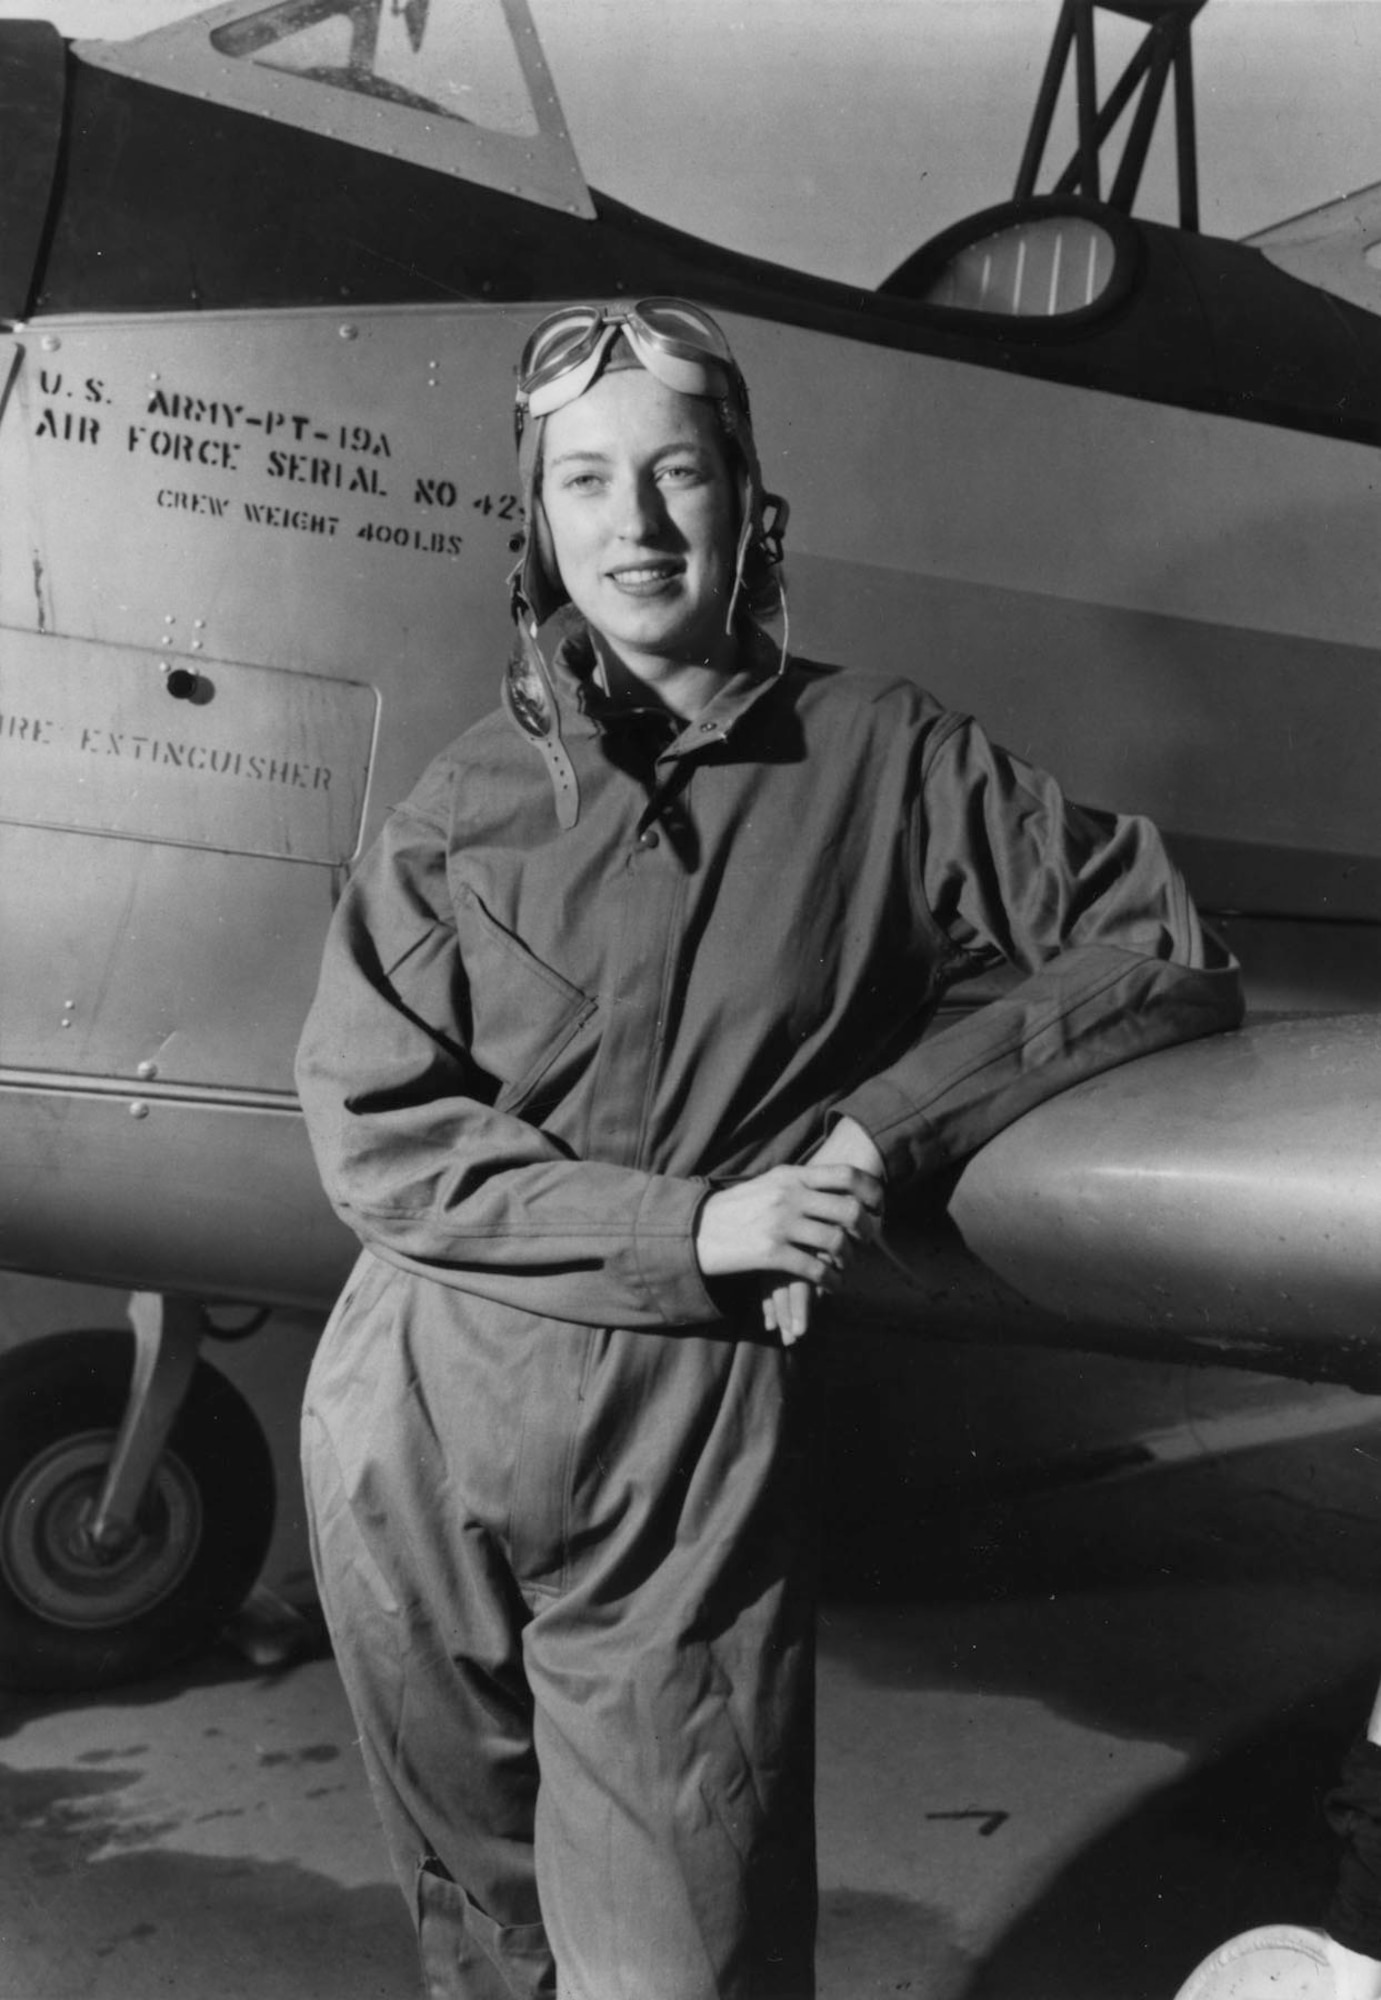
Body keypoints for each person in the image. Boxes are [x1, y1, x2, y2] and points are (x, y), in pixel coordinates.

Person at [295, 297, 1243, 2000]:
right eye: (585, 482)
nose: (635, 526)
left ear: (749, 502)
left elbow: (1153, 945)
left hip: (673, 1446)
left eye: (678, 474)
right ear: (538, 520)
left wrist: (878, 1131)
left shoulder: (886, 756)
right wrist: (691, 1231)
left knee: (684, 1961)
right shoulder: (459, 804)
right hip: (409, 1417)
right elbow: (371, 1131)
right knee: (480, 1946)